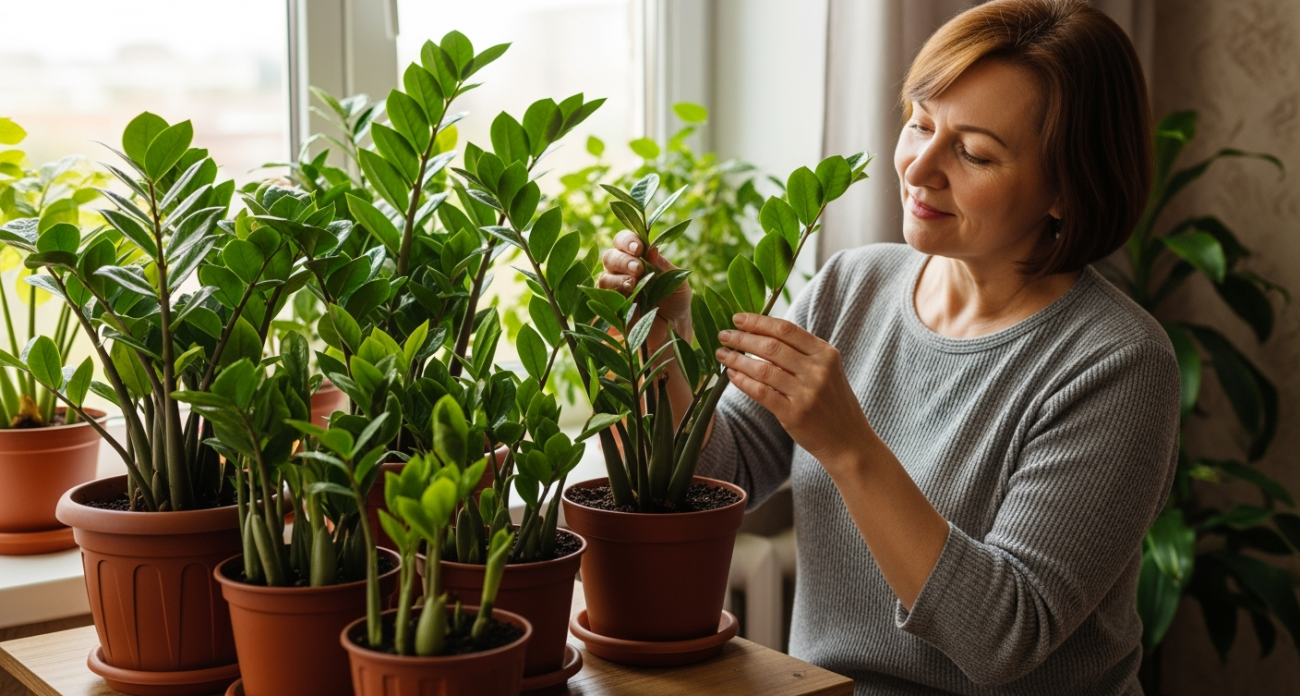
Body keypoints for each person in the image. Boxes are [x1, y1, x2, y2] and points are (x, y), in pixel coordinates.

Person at [597, 1, 1180, 693]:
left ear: (1065, 188)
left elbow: (1003, 638)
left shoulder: (1118, 363)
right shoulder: (854, 284)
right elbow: (725, 473)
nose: (920, 167)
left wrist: (849, 446)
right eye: (920, 123)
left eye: (972, 152)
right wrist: (660, 339)